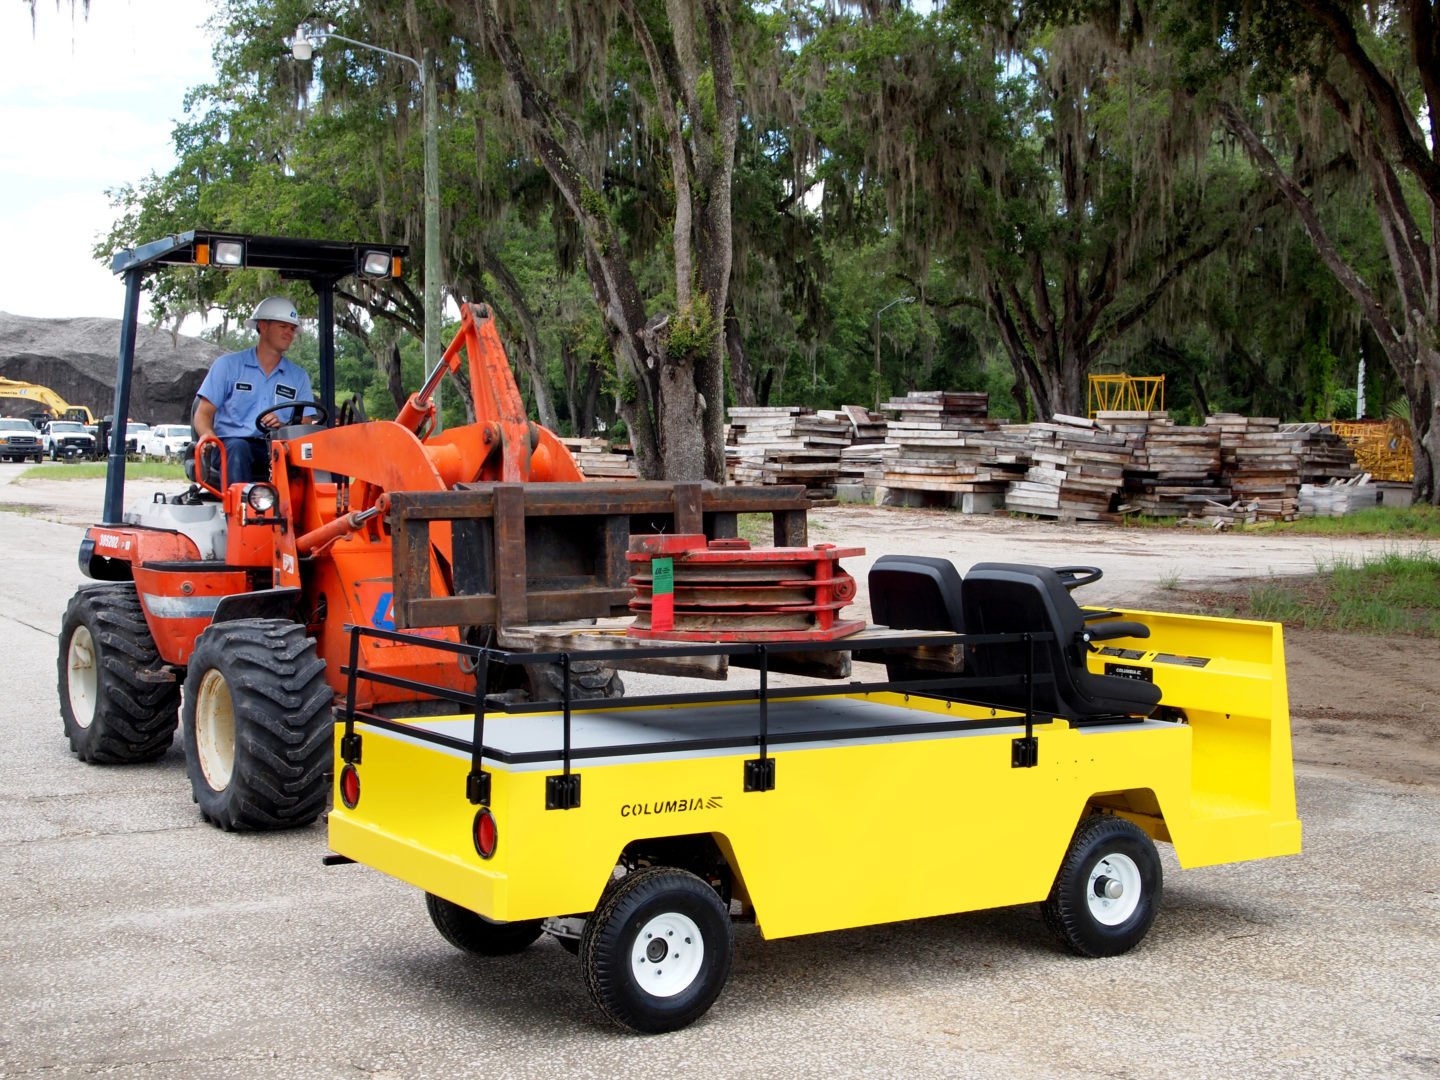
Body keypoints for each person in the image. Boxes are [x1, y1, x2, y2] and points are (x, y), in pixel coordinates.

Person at [193, 296, 316, 485]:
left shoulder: (298, 377)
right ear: (263, 326)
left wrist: (282, 427)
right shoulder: (228, 366)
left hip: (275, 447)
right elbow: (203, 414)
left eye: (292, 329)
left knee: (315, 454)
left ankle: (320, 512)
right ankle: (240, 512)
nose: (289, 333)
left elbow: (305, 427)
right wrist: (207, 435)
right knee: (239, 448)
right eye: (283, 327)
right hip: (231, 446)